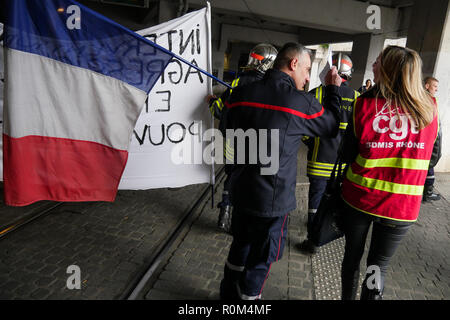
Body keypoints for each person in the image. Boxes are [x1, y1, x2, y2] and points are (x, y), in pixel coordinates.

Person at [219, 42, 343, 300]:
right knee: (261, 259)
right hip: (272, 204)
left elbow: (226, 133)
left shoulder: (241, 93)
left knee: (239, 246)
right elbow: (332, 126)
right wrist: (332, 89)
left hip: (241, 193)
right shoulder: (300, 103)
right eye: (307, 69)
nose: (308, 77)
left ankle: (227, 296)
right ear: (293, 64)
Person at [339, 46, 441, 300]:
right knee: (378, 267)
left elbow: (345, 154)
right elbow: (434, 156)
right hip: (403, 206)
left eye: (378, 62)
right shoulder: (430, 108)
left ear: (387, 70)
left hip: (360, 199)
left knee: (352, 258)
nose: (373, 65)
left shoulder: (364, 104)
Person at [207, 43, 278, 232]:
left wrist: (212, 103)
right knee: (253, 180)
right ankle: (243, 221)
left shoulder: (237, 83)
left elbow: (220, 111)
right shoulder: (272, 87)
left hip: (232, 140)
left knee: (232, 177)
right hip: (259, 143)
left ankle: (224, 216)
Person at [298, 53, 360, 255]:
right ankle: (327, 234)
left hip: (319, 159)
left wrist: (311, 142)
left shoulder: (317, 94)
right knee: (333, 199)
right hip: (342, 165)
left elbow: (303, 127)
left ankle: (312, 240)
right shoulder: (358, 98)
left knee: (315, 198)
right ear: (349, 74)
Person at [422, 76, 442, 201]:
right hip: (428, 139)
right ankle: (428, 193)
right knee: (430, 163)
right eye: (434, 86)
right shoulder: (427, 100)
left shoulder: (428, 99)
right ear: (427, 86)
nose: (436, 89)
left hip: (428, 138)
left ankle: (426, 191)